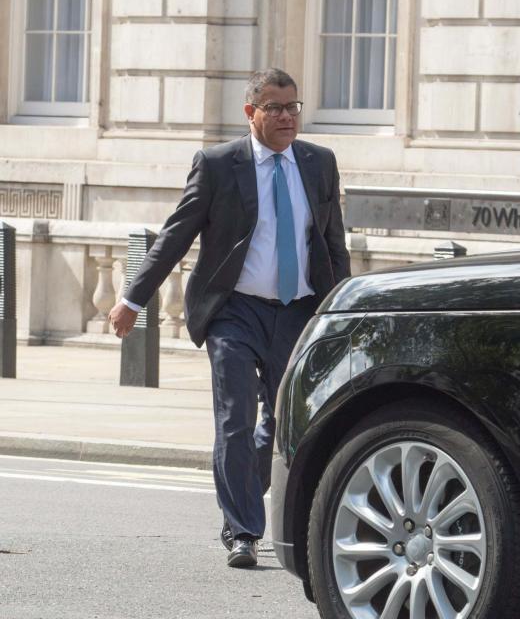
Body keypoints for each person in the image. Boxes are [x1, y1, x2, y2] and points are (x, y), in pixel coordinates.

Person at [108, 68, 351, 568]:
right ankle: (242, 529)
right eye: (275, 108)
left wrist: (341, 308)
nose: (287, 117)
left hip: (299, 311)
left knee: (285, 422)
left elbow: (332, 244)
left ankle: (244, 489)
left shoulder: (319, 163)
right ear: (251, 113)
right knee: (235, 418)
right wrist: (134, 299)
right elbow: (177, 233)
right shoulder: (219, 164)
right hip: (234, 310)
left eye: (293, 107)